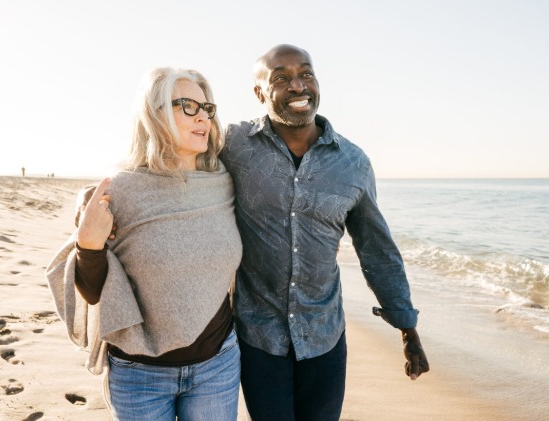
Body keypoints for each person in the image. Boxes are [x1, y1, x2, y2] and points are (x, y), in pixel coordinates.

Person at [218, 44, 430, 420]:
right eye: (281, 78)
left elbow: (376, 248)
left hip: (324, 336)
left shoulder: (353, 162)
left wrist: (407, 329)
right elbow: (181, 170)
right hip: (258, 335)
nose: (298, 86)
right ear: (260, 93)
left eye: (306, 74)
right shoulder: (234, 145)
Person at [46, 67, 243, 421]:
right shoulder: (122, 191)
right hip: (140, 375)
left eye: (207, 108)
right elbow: (93, 294)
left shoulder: (223, 182)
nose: (203, 117)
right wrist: (88, 245)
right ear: (155, 115)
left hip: (218, 363)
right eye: (188, 106)